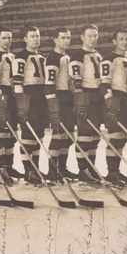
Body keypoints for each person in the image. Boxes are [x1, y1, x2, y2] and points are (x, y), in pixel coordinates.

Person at [12, 26, 47, 185]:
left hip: (41, 97)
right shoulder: (20, 57)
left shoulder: (41, 56)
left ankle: (36, 166)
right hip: (29, 97)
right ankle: (28, 170)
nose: (36, 39)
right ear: (25, 39)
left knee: (39, 134)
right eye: (32, 36)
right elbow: (17, 80)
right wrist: (21, 103)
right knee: (28, 134)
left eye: (37, 36)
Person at [68, 24, 103, 184]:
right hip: (85, 98)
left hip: (98, 98)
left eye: (95, 35)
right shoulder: (77, 55)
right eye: (89, 35)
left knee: (95, 137)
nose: (93, 39)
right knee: (85, 135)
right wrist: (80, 99)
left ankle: (91, 167)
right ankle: (83, 170)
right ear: (82, 37)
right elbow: (75, 80)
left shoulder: (98, 55)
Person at [0, 25, 22, 183]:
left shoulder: (12, 56)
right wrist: (0, 102)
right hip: (1, 97)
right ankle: (0, 169)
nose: (7, 41)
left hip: (12, 96)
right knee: (1, 135)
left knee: (12, 135)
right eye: (4, 38)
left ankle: (9, 166)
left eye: (9, 38)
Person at [44, 27, 78, 182]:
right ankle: (52, 172)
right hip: (58, 101)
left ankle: (62, 170)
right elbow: (49, 84)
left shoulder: (67, 57)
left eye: (68, 38)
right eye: (63, 38)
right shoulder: (52, 58)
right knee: (58, 137)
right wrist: (53, 107)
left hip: (69, 100)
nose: (66, 40)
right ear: (55, 40)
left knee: (69, 137)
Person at [99, 27, 127, 186]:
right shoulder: (108, 59)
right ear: (114, 42)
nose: (124, 42)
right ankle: (111, 172)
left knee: (122, 138)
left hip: (126, 100)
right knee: (115, 137)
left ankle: (116, 170)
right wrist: (110, 102)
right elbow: (104, 84)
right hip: (114, 100)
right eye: (121, 39)